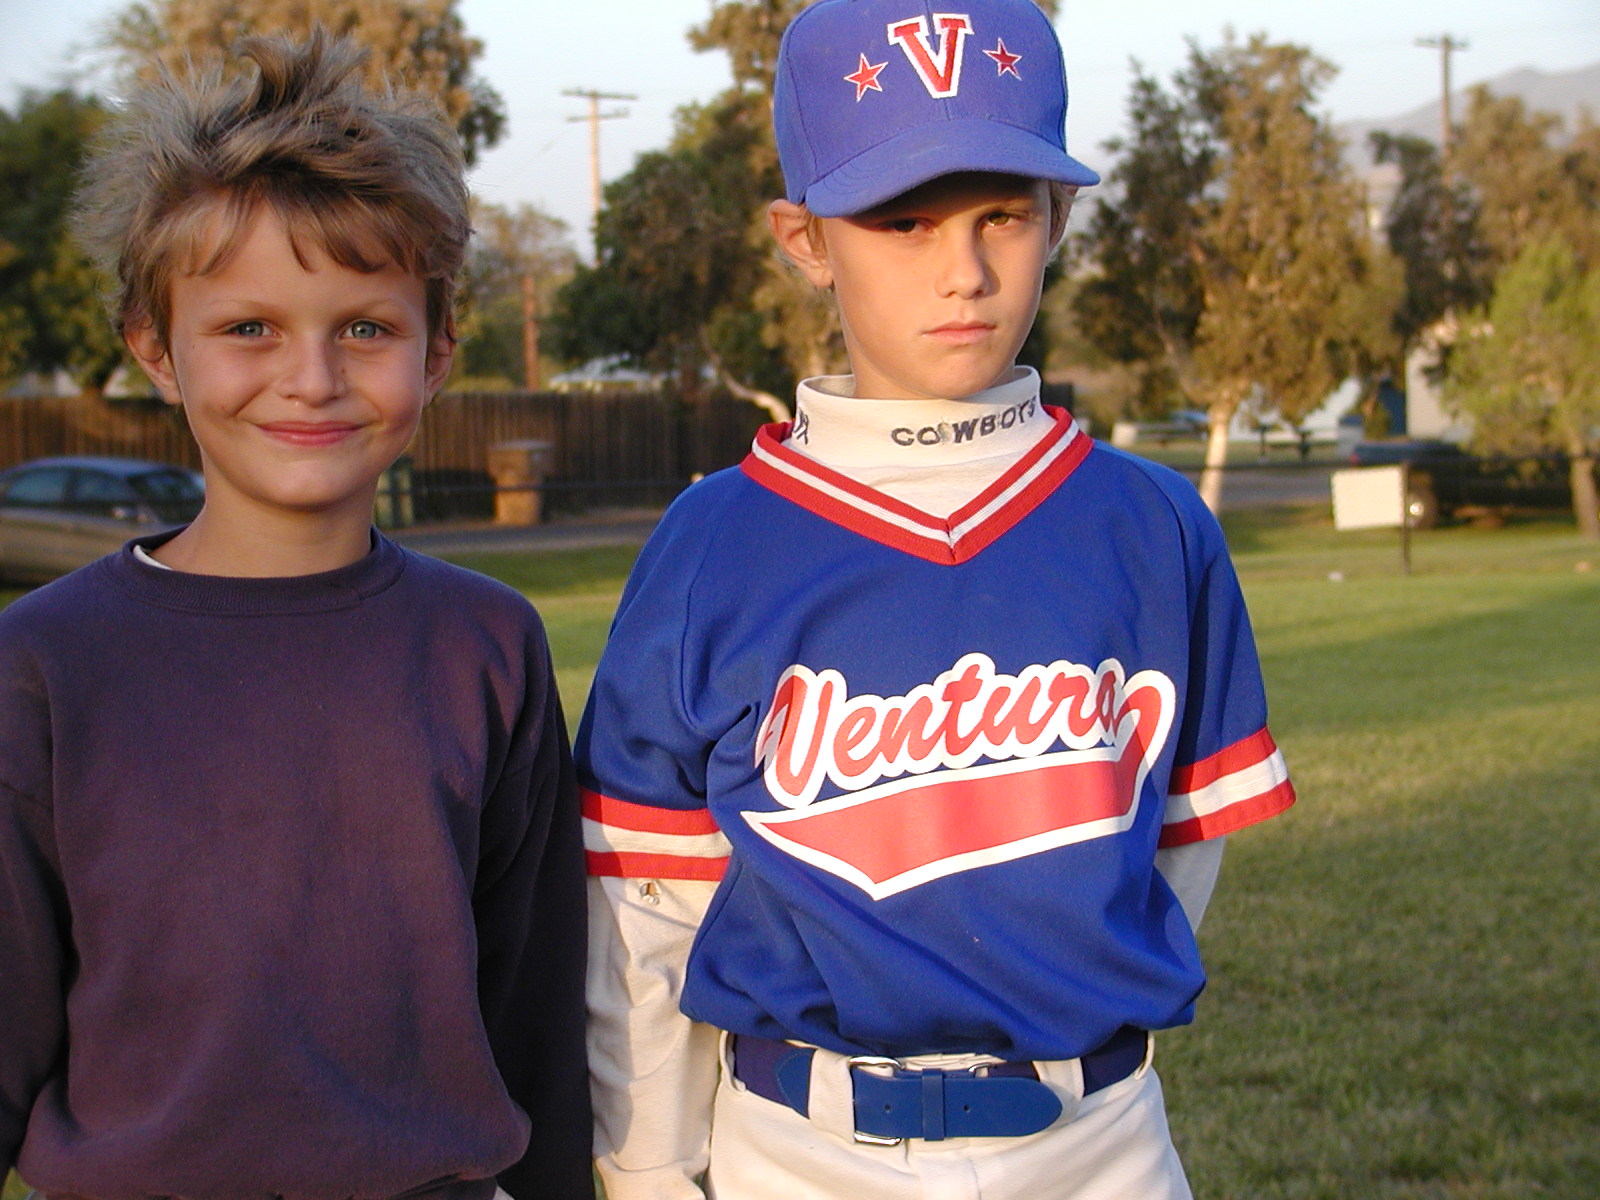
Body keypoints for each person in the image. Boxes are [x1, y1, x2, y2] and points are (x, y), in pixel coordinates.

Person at [577, 0, 1297, 1197]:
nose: (962, 272)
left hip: (1099, 1147)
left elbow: (1172, 855)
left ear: (1059, 216)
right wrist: (649, 1170)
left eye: (1001, 215)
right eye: (901, 221)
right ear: (804, 238)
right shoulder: (711, 546)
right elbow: (650, 906)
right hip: (797, 1152)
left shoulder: (1153, 523)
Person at [0, 30, 592, 1200]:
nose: (312, 378)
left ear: (436, 355)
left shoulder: (486, 646)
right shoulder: (45, 664)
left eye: (365, 328)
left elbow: (536, 1020)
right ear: (155, 348)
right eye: (249, 328)